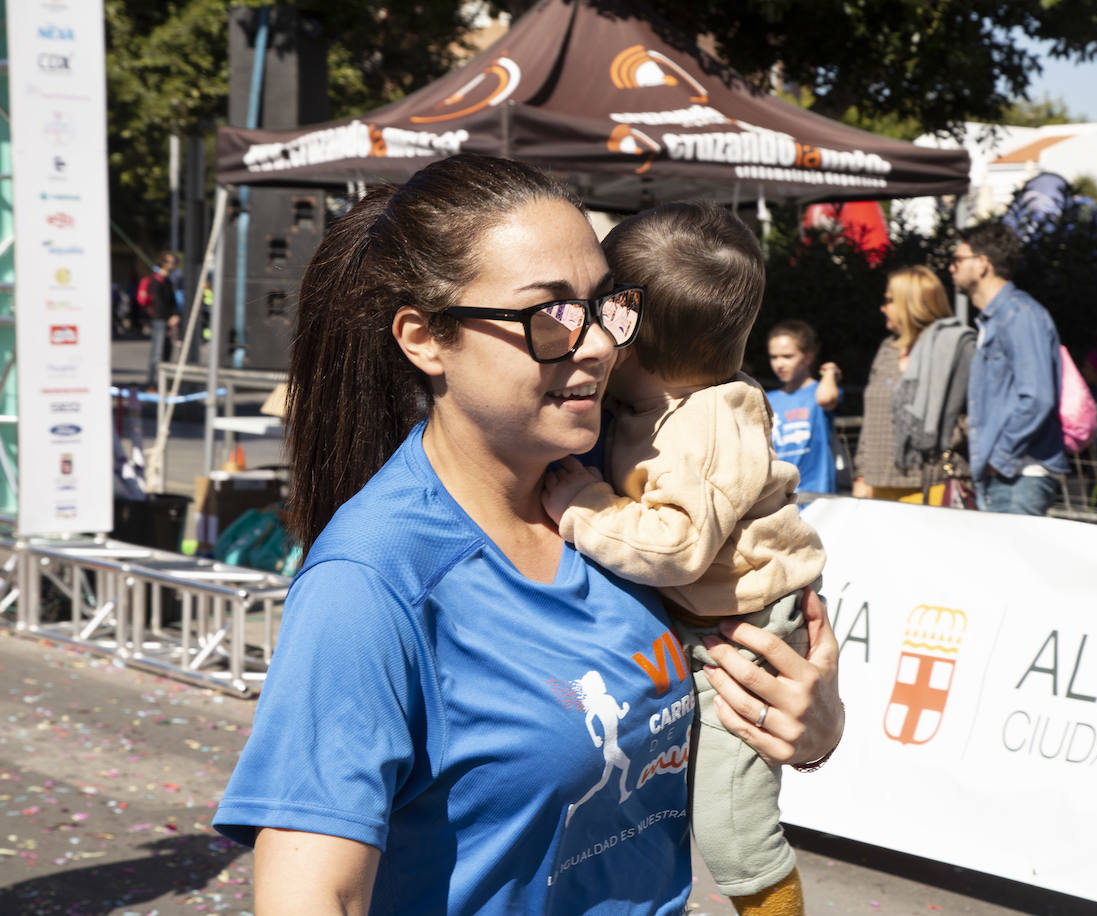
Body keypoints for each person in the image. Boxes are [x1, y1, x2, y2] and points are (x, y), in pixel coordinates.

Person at [211, 155, 844, 915]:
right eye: (547, 313)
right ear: (424, 339)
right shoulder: (372, 581)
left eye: (605, 304)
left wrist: (810, 732)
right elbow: (315, 897)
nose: (598, 345)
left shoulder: (625, 492)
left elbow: (703, 727)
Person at [541, 202, 829, 915]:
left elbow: (676, 545)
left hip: (743, 634)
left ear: (626, 333)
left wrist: (585, 506)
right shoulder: (650, 407)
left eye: (598, 310)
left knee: (732, 828)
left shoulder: (703, 421)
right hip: (708, 623)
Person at [950, 221, 1067, 516]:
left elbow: (1037, 398)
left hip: (1018, 476)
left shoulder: (1019, 315)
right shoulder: (994, 319)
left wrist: (998, 458)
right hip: (1005, 475)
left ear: (982, 264)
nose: (951, 268)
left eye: (958, 260)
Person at [851, 265, 966, 503]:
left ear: (911, 303)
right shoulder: (887, 349)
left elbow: (969, 416)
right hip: (878, 484)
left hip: (931, 483)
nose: (883, 307)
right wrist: (861, 474)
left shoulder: (948, 348)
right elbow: (871, 417)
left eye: (890, 300)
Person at [766, 320, 842, 494]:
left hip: (817, 496)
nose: (779, 364)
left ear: (808, 357)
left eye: (787, 356)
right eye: (774, 357)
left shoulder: (819, 391)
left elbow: (827, 398)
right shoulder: (768, 399)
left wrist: (829, 372)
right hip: (779, 497)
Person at [144, 252, 179, 386]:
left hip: (168, 320)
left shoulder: (168, 281)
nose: (174, 265)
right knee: (157, 354)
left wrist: (175, 315)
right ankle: (151, 384)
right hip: (159, 320)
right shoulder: (156, 281)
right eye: (172, 262)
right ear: (164, 264)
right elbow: (158, 303)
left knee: (167, 353)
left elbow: (172, 301)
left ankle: (164, 384)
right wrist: (168, 318)